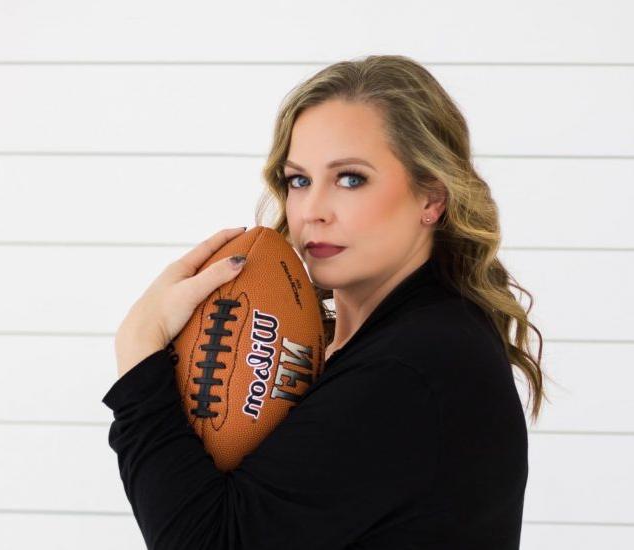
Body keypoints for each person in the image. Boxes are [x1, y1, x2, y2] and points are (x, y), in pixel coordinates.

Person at [103, 54, 548, 549]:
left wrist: (139, 348)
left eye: (350, 178)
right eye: (299, 180)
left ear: (431, 198)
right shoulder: (376, 341)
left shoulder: (414, 364)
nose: (312, 211)